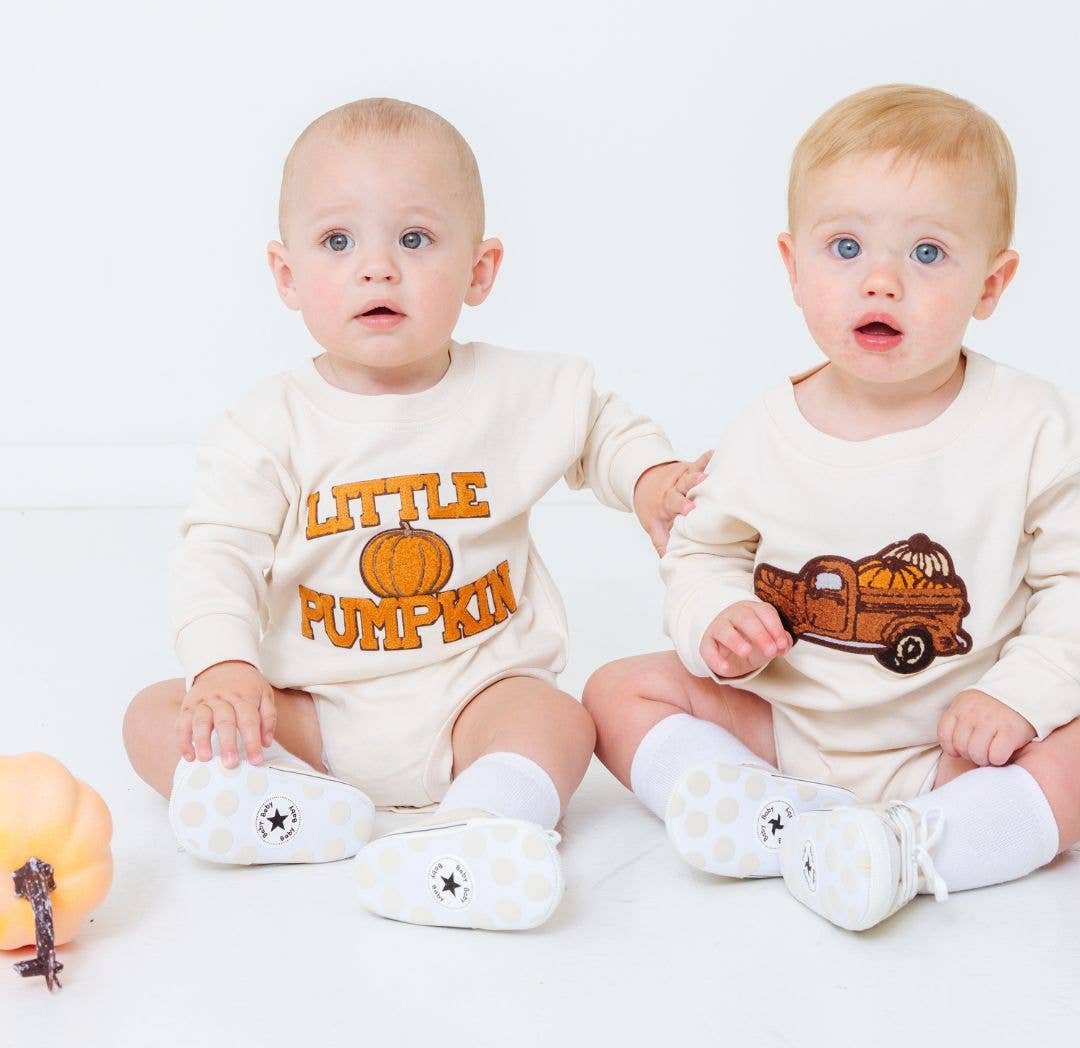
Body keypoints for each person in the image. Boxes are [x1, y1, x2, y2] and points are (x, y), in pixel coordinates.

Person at [122, 97, 704, 931]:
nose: (377, 269)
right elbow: (218, 553)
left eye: (415, 239)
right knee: (154, 715)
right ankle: (280, 800)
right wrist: (222, 666)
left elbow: (599, 425)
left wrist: (648, 479)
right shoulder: (268, 425)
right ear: (286, 276)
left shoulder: (514, 391)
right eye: (337, 241)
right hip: (312, 706)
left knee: (560, 721)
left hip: (475, 696)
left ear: (480, 270)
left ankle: (484, 821)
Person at [584, 84, 1080, 931]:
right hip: (785, 726)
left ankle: (920, 847)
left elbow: (1071, 581)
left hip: (957, 743)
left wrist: (1019, 698)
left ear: (991, 283)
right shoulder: (764, 432)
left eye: (928, 253)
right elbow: (702, 551)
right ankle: (763, 818)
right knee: (614, 692)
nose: (880, 281)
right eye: (845, 248)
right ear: (793, 267)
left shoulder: (1027, 424)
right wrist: (717, 620)